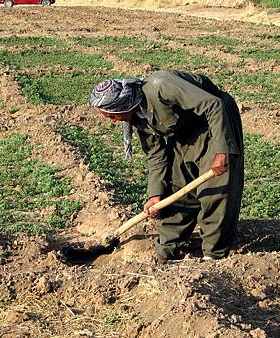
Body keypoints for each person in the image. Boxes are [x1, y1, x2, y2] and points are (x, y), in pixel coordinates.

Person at [89, 69, 244, 264]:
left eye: (112, 116)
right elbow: (156, 155)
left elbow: (213, 105)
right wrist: (155, 195)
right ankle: (168, 249)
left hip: (215, 122)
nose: (112, 121)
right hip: (186, 131)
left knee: (215, 191)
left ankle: (213, 255)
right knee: (176, 185)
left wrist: (222, 150)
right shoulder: (137, 116)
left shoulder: (160, 86)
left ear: (122, 105)